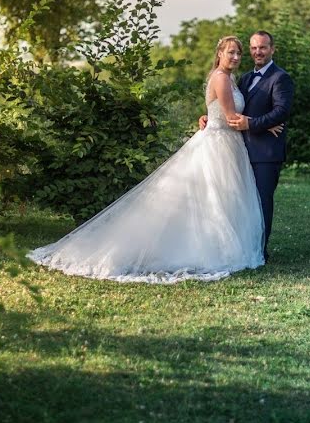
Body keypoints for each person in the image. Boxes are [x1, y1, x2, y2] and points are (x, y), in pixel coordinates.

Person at [27, 36, 280, 283]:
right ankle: (210, 248)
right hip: (218, 143)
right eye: (231, 52)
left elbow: (218, 113)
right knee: (212, 196)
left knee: (222, 198)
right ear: (219, 55)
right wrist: (263, 126)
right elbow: (230, 117)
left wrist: (208, 117)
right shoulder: (221, 78)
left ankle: (225, 244)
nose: (236, 57)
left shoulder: (232, 78)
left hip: (227, 143)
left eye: (238, 53)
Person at [199, 31, 294, 262]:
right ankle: (240, 247)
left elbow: (281, 111)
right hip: (238, 150)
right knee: (240, 200)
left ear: (272, 49)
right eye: (253, 48)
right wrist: (208, 117)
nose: (257, 52)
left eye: (262, 47)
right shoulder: (243, 78)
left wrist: (253, 124)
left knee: (261, 202)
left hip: (265, 153)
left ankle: (259, 251)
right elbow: (231, 109)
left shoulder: (280, 78)